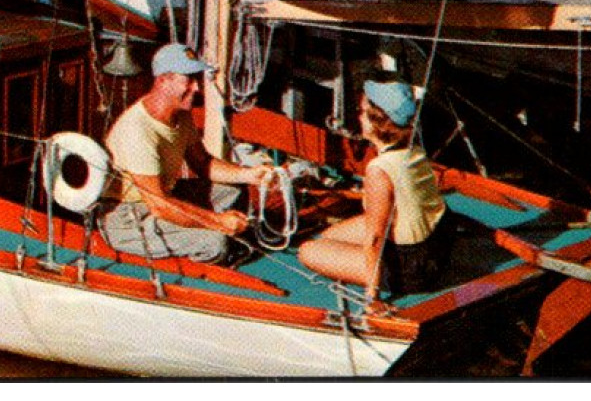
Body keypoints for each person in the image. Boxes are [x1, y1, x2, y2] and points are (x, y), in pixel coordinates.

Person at [101, 43, 277, 264]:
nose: (196, 88)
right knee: (214, 242)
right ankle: (214, 251)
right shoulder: (137, 130)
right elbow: (159, 205)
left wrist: (250, 175)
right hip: (128, 218)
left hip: (166, 196)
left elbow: (202, 163)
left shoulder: (180, 115)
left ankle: (222, 234)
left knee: (233, 189)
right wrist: (217, 222)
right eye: (189, 80)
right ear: (163, 80)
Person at [297, 77, 449, 305]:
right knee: (328, 237)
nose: (358, 117)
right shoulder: (412, 149)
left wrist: (372, 295)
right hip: (437, 248)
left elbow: (375, 237)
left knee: (308, 250)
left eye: (362, 111)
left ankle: (375, 275)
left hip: (412, 270)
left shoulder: (378, 171)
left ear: (376, 122)